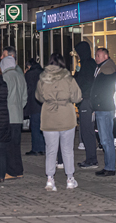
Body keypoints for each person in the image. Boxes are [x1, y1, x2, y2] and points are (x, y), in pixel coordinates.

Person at [35, 53, 82, 190]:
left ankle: (50, 179)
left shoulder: (43, 78)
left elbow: (39, 97)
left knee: (50, 150)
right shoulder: (68, 78)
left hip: (49, 117)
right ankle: (70, 179)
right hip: (66, 115)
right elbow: (77, 96)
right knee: (67, 150)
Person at [91, 48, 116, 177]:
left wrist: (96, 102)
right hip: (103, 107)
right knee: (105, 139)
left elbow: (102, 89)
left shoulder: (107, 70)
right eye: (96, 55)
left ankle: (110, 167)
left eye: (98, 55)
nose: (96, 58)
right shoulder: (104, 68)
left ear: (105, 56)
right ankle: (109, 166)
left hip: (103, 108)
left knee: (106, 139)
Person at [0, 46, 27, 180]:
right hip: (18, 115)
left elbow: (3, 97)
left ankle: (10, 171)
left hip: (8, 115)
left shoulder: (5, 77)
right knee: (16, 145)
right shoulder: (20, 76)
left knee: (8, 145)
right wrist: (19, 108)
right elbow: (24, 97)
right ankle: (18, 169)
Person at [74, 41, 98, 168]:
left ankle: (91, 160)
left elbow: (83, 82)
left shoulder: (87, 64)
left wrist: (76, 76)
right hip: (87, 100)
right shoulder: (89, 63)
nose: (77, 55)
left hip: (86, 100)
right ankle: (90, 158)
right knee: (87, 130)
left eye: (78, 53)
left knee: (87, 130)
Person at [24, 58, 45, 156]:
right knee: (42, 127)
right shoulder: (42, 72)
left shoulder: (29, 74)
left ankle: (36, 148)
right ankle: (43, 148)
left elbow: (27, 89)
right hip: (42, 104)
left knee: (35, 127)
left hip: (33, 103)